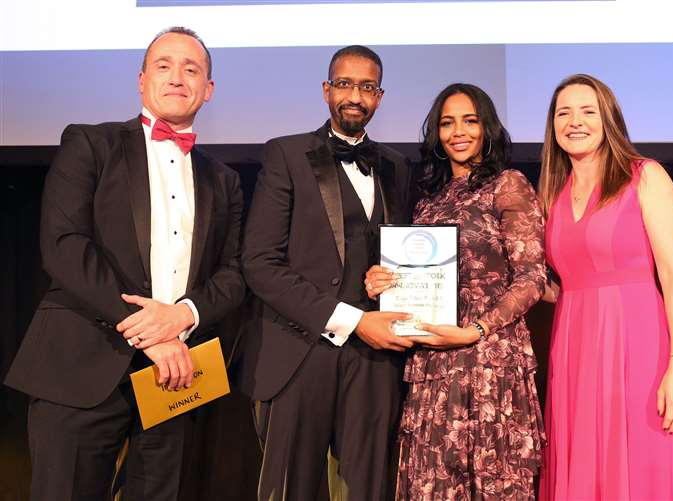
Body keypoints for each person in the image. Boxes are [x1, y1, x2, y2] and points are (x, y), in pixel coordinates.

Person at [4, 27, 246, 500]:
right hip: (82, 363)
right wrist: (149, 330)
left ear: (209, 89)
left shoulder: (225, 180)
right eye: (164, 65)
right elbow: (64, 246)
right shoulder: (90, 144)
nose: (177, 77)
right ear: (141, 80)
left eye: (191, 69)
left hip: (177, 376)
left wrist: (183, 316)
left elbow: (235, 272)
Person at [238, 45, 413, 500]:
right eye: (345, 84)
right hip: (300, 348)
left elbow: (401, 254)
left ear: (379, 96)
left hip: (376, 360)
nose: (355, 95)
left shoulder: (396, 166)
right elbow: (260, 262)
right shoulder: (287, 154)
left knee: (369, 487)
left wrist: (391, 279)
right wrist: (353, 320)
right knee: (291, 487)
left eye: (367, 87)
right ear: (326, 90)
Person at [366, 83, 546, 500]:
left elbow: (533, 277)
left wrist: (477, 330)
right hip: (433, 363)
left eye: (469, 121)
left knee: (496, 482)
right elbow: (418, 273)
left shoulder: (508, 184)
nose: (458, 132)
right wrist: (384, 281)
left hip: (490, 363)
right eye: (447, 123)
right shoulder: (429, 200)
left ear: (487, 128)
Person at [537, 74, 673, 500]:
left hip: (637, 347)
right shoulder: (552, 194)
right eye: (564, 113)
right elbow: (561, 283)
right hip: (574, 349)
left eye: (587, 111)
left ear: (608, 117)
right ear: (552, 126)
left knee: (643, 464)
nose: (575, 121)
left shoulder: (645, 177)